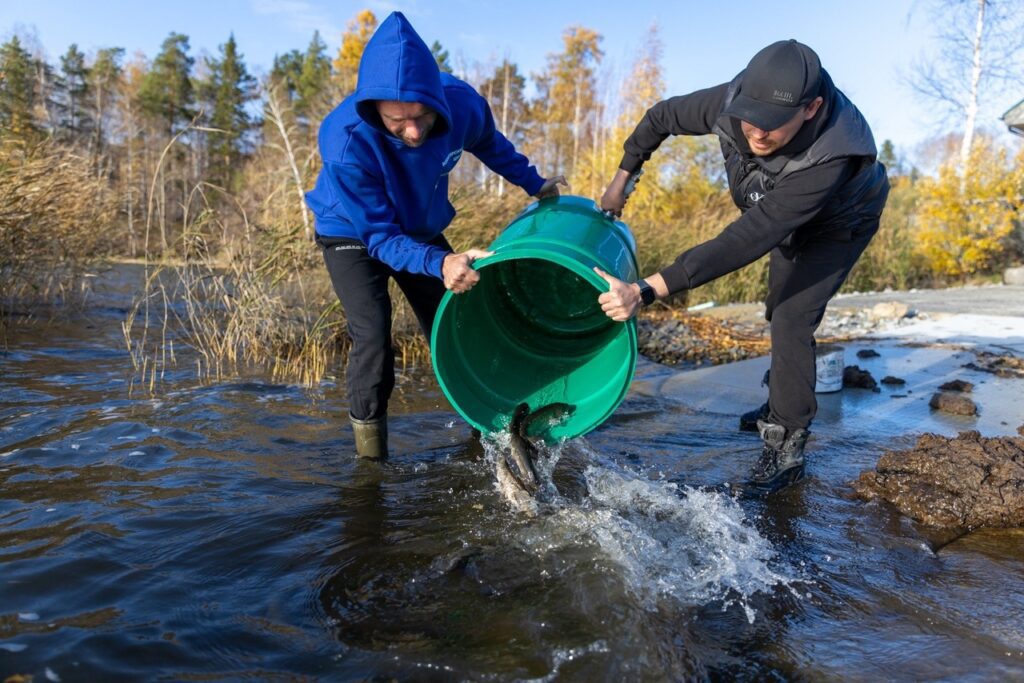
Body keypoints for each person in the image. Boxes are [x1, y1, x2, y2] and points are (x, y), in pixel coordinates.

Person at [596, 39, 889, 493]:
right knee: (777, 304)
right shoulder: (731, 102)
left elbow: (749, 237)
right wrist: (622, 179)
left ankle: (786, 445)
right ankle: (779, 401)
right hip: (780, 213)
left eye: (772, 125)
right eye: (750, 117)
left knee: (793, 316)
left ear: (810, 109)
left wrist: (645, 289)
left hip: (840, 222)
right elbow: (660, 117)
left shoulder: (833, 153)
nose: (755, 131)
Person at [305, 12, 565, 459]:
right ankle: (371, 462)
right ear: (374, 110)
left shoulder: (462, 103)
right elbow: (381, 239)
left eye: (421, 116)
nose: (412, 131)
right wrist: (440, 263)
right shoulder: (344, 139)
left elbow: (491, 145)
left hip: (419, 229)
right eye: (396, 121)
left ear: (435, 101)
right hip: (352, 232)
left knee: (459, 320)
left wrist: (534, 183)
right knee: (373, 336)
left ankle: (494, 434)